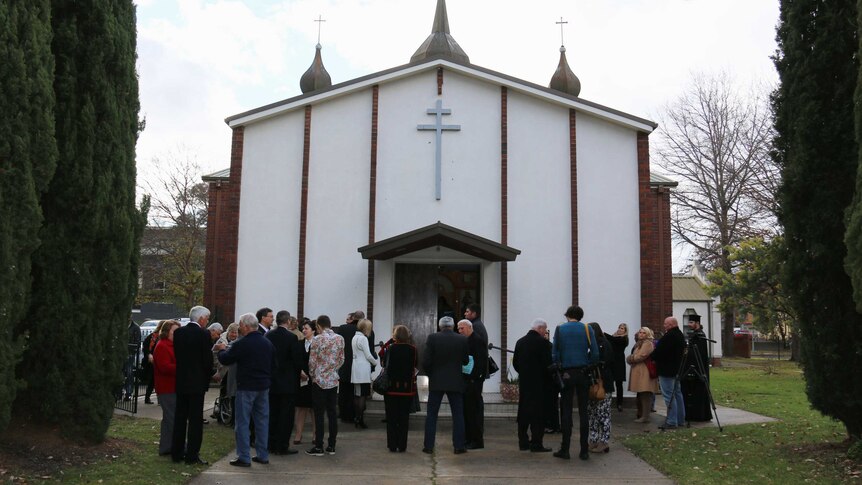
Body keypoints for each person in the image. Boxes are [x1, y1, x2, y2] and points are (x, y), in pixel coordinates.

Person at [215, 313, 277, 467]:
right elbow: (274, 365)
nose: (239, 327)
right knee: (262, 421)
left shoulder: (242, 343)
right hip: (263, 386)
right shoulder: (267, 343)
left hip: (246, 386)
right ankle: (262, 454)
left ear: (246, 326)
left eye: (241, 325)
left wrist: (221, 350)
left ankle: (244, 456)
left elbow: (226, 359)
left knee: (242, 422)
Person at [551, 305, 599, 461]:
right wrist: (589, 364)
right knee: (583, 410)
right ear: (580, 316)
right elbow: (595, 352)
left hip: (566, 372)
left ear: (567, 315)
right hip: (583, 372)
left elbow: (555, 352)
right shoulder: (587, 329)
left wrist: (559, 364)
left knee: (566, 410)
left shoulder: (560, 329)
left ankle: (565, 449)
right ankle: (583, 450)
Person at [171, 306, 214, 465]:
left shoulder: (178, 333)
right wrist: (208, 376)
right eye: (207, 318)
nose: (207, 321)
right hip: (197, 383)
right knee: (195, 420)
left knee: (180, 417)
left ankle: (176, 452)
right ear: (201, 318)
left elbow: (178, 355)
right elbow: (207, 360)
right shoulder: (203, 334)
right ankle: (192, 455)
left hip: (181, 380)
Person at [422, 316, 470, 455]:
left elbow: (426, 361)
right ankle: (459, 446)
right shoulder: (462, 339)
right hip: (455, 381)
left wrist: (432, 374)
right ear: (453, 326)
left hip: (437, 381)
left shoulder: (432, 338)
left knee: (431, 414)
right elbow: (466, 360)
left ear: (440, 326)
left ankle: (429, 446)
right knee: (458, 415)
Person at [306, 315, 345, 456]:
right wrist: (333, 370)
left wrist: (314, 375)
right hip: (333, 380)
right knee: (332, 413)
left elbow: (312, 361)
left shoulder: (317, 339)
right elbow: (342, 359)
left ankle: (318, 446)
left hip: (319, 380)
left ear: (318, 326)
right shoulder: (339, 338)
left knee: (319, 414)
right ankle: (332, 445)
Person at [513, 318, 553, 452]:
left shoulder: (520, 342)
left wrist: (524, 373)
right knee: (538, 414)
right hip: (540, 384)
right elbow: (548, 364)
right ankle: (536, 443)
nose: (545, 332)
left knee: (523, 411)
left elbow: (516, 363)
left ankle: (523, 442)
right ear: (540, 329)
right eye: (545, 329)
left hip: (525, 382)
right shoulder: (544, 344)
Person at [266, 310, 303, 455]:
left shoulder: (268, 336)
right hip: (288, 381)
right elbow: (296, 360)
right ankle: (282, 445)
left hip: (272, 381)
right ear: (288, 321)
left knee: (272, 413)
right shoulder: (291, 338)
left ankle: (271, 443)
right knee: (286, 415)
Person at [382, 325, 417, 452]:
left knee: (391, 418)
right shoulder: (413, 349)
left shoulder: (390, 348)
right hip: (406, 388)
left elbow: (385, 364)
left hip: (391, 387)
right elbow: (415, 365)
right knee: (404, 418)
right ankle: (402, 445)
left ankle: (392, 444)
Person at [336, 310, 372, 424]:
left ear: (352, 318)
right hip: (360, 367)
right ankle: (356, 415)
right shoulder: (366, 331)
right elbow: (370, 350)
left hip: (344, 365)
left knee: (343, 392)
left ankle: (343, 414)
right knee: (357, 393)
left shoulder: (342, 328)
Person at [457, 319, 488, 449]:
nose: (459, 331)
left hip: (473, 381)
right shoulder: (464, 341)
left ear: (469, 328)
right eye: (458, 329)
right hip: (466, 381)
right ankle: (468, 438)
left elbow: (480, 362)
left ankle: (476, 440)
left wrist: (474, 377)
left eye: (462, 328)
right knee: (466, 411)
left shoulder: (477, 341)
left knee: (474, 411)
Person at [651, 317, 686, 429]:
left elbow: (660, 351)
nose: (664, 325)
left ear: (671, 324)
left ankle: (671, 421)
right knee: (677, 394)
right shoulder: (680, 335)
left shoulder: (669, 336)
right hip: (677, 369)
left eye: (666, 324)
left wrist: (653, 356)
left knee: (669, 396)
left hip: (667, 370)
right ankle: (680, 419)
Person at [153, 320, 181, 455]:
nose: (177, 333)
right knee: (172, 418)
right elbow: (164, 367)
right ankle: (178, 446)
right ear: (166, 331)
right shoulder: (162, 346)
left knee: (169, 419)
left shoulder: (173, 345)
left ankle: (166, 447)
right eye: (174, 331)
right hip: (166, 387)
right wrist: (182, 367)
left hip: (173, 386)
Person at [587, 322, 615, 454]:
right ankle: (593, 439)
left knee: (603, 414)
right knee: (592, 413)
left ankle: (604, 441)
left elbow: (607, 361)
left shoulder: (604, 344)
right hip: (593, 383)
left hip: (603, 383)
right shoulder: (591, 345)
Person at [682, 316, 712, 421]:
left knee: (699, 391)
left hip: (698, 368)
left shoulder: (700, 336)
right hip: (691, 368)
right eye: (689, 322)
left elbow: (699, 354)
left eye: (691, 322)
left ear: (697, 323)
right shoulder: (693, 335)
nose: (689, 325)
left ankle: (699, 415)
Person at [627, 327, 659, 423]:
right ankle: (641, 414)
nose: (641, 334)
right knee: (641, 394)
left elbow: (641, 356)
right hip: (639, 371)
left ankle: (645, 416)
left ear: (648, 334)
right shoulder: (639, 343)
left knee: (645, 394)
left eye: (643, 333)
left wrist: (630, 358)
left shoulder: (648, 343)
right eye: (640, 332)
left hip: (645, 372)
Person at [351, 318, 379, 429]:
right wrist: (375, 362)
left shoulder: (354, 337)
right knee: (362, 395)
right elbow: (368, 355)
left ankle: (357, 417)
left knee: (357, 394)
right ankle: (359, 418)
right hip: (363, 369)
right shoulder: (363, 339)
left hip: (355, 368)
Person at [294, 319, 317, 445]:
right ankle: (298, 434)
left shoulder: (318, 343)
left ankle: (315, 434)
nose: (304, 330)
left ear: (313, 330)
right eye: (303, 328)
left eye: (306, 328)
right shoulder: (299, 343)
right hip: (303, 379)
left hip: (314, 379)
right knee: (302, 407)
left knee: (314, 408)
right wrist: (300, 371)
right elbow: (296, 359)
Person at [213, 323, 239, 424]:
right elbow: (215, 354)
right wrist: (219, 364)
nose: (234, 335)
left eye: (236, 332)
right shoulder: (221, 341)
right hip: (224, 370)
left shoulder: (237, 342)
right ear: (228, 332)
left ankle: (230, 414)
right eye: (232, 332)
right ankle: (221, 414)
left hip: (233, 370)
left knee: (232, 393)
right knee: (224, 392)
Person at [605, 323, 630, 412]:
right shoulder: (613, 337)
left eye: (622, 328)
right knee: (609, 382)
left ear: (625, 331)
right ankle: (608, 401)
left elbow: (615, 341)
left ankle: (619, 403)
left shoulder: (624, 339)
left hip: (619, 363)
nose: (620, 329)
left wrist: (603, 333)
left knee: (619, 384)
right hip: (611, 362)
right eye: (619, 327)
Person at [142, 320, 166, 404]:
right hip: (153, 362)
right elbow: (145, 347)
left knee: (155, 381)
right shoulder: (154, 336)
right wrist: (149, 354)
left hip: (158, 361)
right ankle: (151, 398)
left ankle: (156, 399)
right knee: (153, 381)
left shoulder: (155, 336)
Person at [123, 319, 142, 401]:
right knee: (121, 372)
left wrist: (131, 349)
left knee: (129, 373)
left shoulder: (135, 327)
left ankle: (128, 393)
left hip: (130, 354)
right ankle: (119, 393)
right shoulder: (121, 324)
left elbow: (137, 342)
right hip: (121, 353)